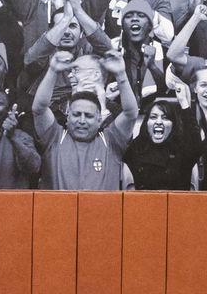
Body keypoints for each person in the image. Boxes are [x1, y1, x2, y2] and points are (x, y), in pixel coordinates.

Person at [33, 44, 139, 190]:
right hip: (60, 212)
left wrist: (121, 75)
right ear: (68, 116)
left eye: (88, 116)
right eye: (76, 114)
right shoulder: (55, 137)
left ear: (99, 119)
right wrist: (53, 71)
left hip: (102, 213)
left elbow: (130, 113)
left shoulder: (111, 140)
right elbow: (39, 109)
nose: (82, 120)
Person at [123, 98, 199, 190]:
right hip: (145, 203)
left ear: (173, 124)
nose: (158, 122)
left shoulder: (182, 150)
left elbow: (196, 143)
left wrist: (184, 102)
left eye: (165, 118)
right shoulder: (137, 148)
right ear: (146, 123)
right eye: (153, 117)